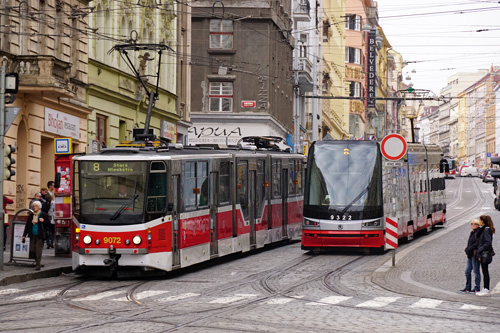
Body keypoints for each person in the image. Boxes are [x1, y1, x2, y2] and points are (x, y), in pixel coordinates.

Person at [22, 201, 50, 270]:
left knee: (38, 250)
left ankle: (38, 264)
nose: (34, 207)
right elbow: (27, 226)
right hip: (32, 235)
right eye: (34, 206)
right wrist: (24, 235)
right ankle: (37, 261)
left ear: (39, 207)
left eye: (36, 206)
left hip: (40, 235)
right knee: (32, 250)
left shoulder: (43, 215)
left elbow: (49, 225)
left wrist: (43, 221)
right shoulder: (31, 215)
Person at [476, 215, 496, 296]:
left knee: (485, 271)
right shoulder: (484, 229)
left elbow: (488, 243)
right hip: (483, 252)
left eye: (480, 220)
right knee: (484, 270)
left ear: (483, 221)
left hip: (485, 253)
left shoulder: (486, 230)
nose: (479, 221)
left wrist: (480, 250)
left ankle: (486, 288)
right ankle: (485, 288)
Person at [461, 219, 482, 293]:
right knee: (467, 271)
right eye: (472, 224)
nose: (473, 225)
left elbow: (478, 243)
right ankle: (467, 287)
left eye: (475, 224)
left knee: (476, 272)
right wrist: (467, 249)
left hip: (475, 254)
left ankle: (477, 287)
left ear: (478, 224)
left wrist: (469, 248)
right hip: (470, 254)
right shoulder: (472, 232)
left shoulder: (479, 232)